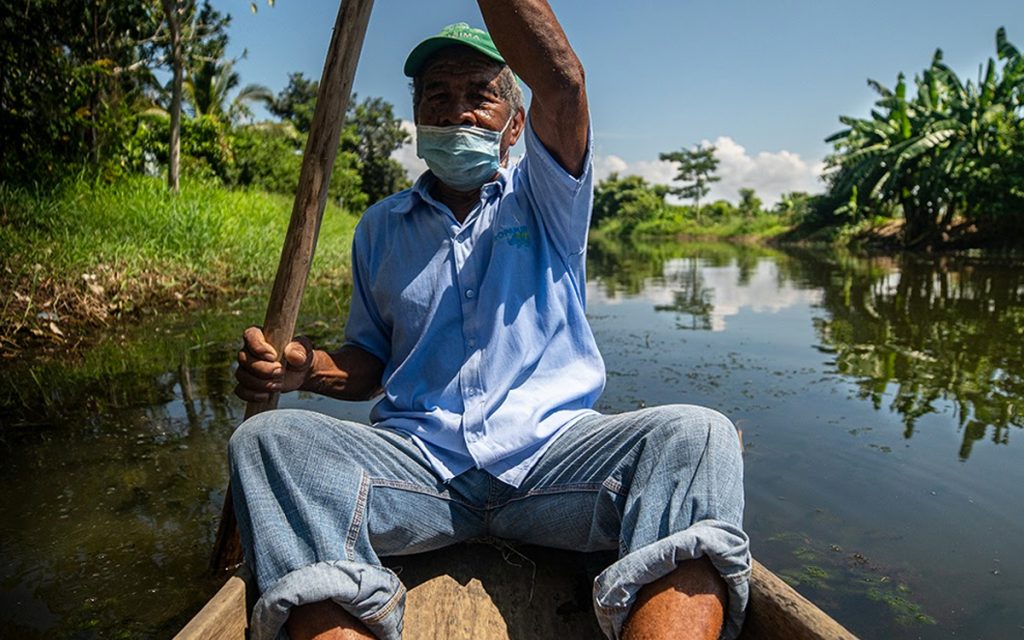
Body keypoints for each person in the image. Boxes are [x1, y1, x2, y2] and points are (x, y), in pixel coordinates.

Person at [230, 2, 750, 639]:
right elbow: (369, 365)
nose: (455, 112)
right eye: (437, 96)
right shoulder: (380, 228)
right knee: (266, 444)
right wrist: (305, 369)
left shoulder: (547, 193)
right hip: (419, 477)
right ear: (417, 115)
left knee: (699, 436)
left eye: (480, 95)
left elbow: (563, 83)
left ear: (515, 124)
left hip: (553, 467)